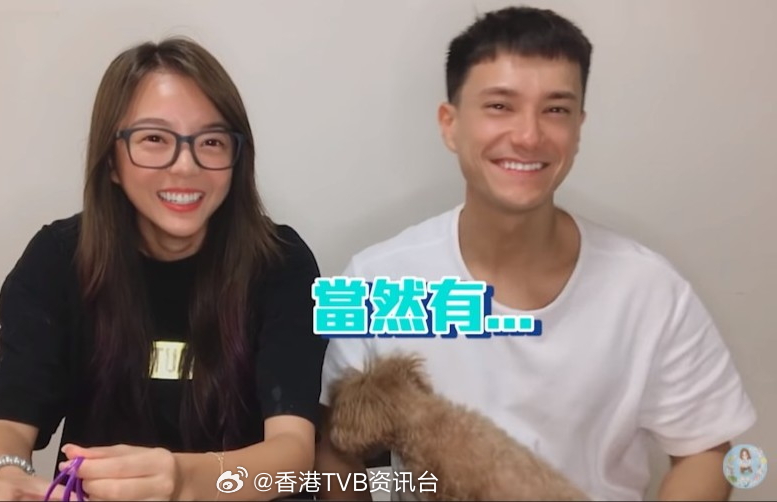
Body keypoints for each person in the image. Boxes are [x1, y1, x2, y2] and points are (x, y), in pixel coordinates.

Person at [316, 6, 756, 501]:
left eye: (556, 110)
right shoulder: (377, 280)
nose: (528, 136)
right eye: (500, 106)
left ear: (579, 128)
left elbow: (705, 450)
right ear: (450, 124)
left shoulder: (650, 290)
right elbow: (335, 451)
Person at [0, 37, 328, 501]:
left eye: (212, 142)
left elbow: (292, 454)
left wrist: (182, 480)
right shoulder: (58, 259)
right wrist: (0, 476)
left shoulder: (281, 262)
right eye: (155, 139)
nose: (185, 165)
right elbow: (7, 425)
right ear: (112, 161)